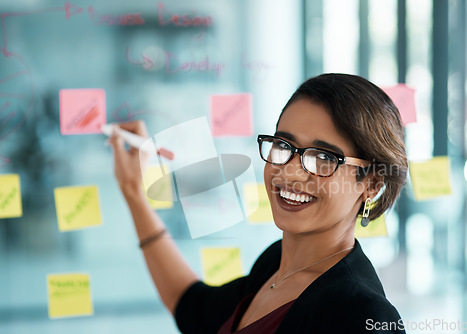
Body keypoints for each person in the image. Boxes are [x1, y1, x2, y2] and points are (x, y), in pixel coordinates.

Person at [109, 73, 408, 333]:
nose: (290, 172)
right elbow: (193, 308)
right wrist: (134, 190)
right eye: (283, 145)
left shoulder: (365, 317)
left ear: (371, 184)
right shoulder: (274, 265)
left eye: (323, 158)